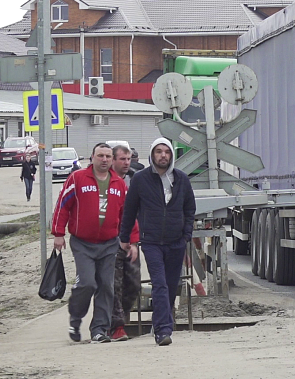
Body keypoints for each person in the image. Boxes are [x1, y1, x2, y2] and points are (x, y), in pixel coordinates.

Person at [119, 137, 195, 347]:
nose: (163, 155)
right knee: (159, 284)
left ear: (171, 155)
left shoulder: (181, 179)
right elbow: (130, 209)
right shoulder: (141, 179)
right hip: (151, 241)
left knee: (170, 286)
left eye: (167, 152)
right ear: (152, 155)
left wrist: (186, 234)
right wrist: (126, 238)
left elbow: (189, 209)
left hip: (176, 241)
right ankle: (163, 331)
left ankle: (161, 322)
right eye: (158, 151)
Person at [52, 142, 127, 344]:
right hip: (82, 243)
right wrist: (58, 233)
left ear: (112, 160)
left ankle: (99, 330)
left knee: (106, 286)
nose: (104, 160)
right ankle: (75, 319)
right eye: (100, 155)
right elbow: (63, 206)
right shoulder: (77, 178)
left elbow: (126, 215)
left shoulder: (119, 183)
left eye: (108, 156)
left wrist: (131, 240)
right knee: (87, 283)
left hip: (109, 243)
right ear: (92, 157)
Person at [108, 145, 141, 342]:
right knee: (113, 284)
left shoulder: (135, 178)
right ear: (113, 160)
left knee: (133, 282)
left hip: (130, 239)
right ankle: (115, 326)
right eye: (122, 159)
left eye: (129, 158)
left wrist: (134, 241)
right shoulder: (105, 179)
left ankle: (122, 318)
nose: (127, 162)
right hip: (110, 241)